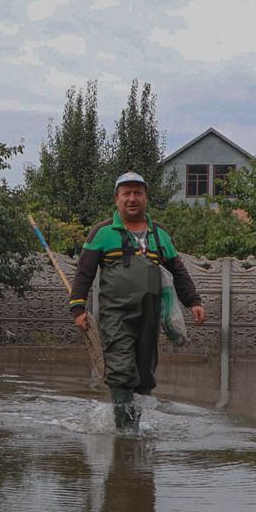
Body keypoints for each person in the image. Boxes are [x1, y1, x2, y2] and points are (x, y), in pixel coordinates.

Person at [70, 172, 207, 428]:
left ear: (146, 198)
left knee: (144, 376)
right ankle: (125, 433)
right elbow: (84, 274)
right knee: (121, 370)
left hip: (150, 316)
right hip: (116, 316)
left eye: (137, 193)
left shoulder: (160, 235)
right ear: (116, 199)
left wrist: (194, 302)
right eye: (126, 194)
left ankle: (133, 429)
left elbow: (178, 271)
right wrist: (78, 308)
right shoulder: (102, 232)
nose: (132, 199)